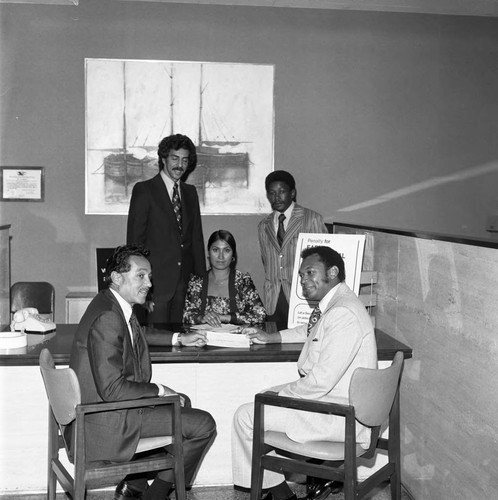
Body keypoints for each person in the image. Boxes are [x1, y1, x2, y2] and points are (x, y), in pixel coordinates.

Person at [69, 244, 216, 500]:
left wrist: (178, 338)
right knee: (203, 424)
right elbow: (113, 389)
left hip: (102, 411)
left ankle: (135, 486)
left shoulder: (109, 304)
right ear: (117, 277)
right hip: (106, 420)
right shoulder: (108, 317)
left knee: (184, 404)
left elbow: (136, 335)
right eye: (140, 275)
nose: (148, 283)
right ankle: (156, 495)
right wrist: (159, 390)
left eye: (149, 276)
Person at [232, 246, 377, 500]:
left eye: (310, 272)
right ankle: (292, 488)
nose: (303, 280)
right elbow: (311, 331)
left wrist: (279, 395)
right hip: (336, 404)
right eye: (301, 275)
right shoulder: (338, 303)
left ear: (332, 272)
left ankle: (281, 495)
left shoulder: (343, 313)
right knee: (263, 400)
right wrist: (273, 337)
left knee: (246, 415)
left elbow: (320, 382)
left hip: (340, 415)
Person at [127, 134, 205, 325]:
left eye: (185, 160)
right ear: (163, 159)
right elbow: (135, 244)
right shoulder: (144, 190)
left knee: (181, 344)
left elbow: (196, 240)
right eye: (175, 158)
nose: (180, 165)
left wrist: (200, 286)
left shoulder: (190, 193)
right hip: (155, 287)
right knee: (155, 345)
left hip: (184, 286)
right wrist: (143, 289)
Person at [258, 170, 328, 328]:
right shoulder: (263, 226)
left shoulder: (312, 219)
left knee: (303, 347)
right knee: (277, 347)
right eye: (272, 193)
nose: (277, 197)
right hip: (273, 300)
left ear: (293, 193)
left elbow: (323, 262)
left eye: (282, 192)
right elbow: (266, 262)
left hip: (304, 298)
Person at [183, 229, 266, 326]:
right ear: (209, 253)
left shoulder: (243, 282)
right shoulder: (197, 282)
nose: (221, 256)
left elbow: (260, 315)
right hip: (203, 339)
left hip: (236, 339)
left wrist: (226, 317)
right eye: (215, 250)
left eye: (226, 250)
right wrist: (201, 318)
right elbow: (186, 315)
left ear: (233, 254)